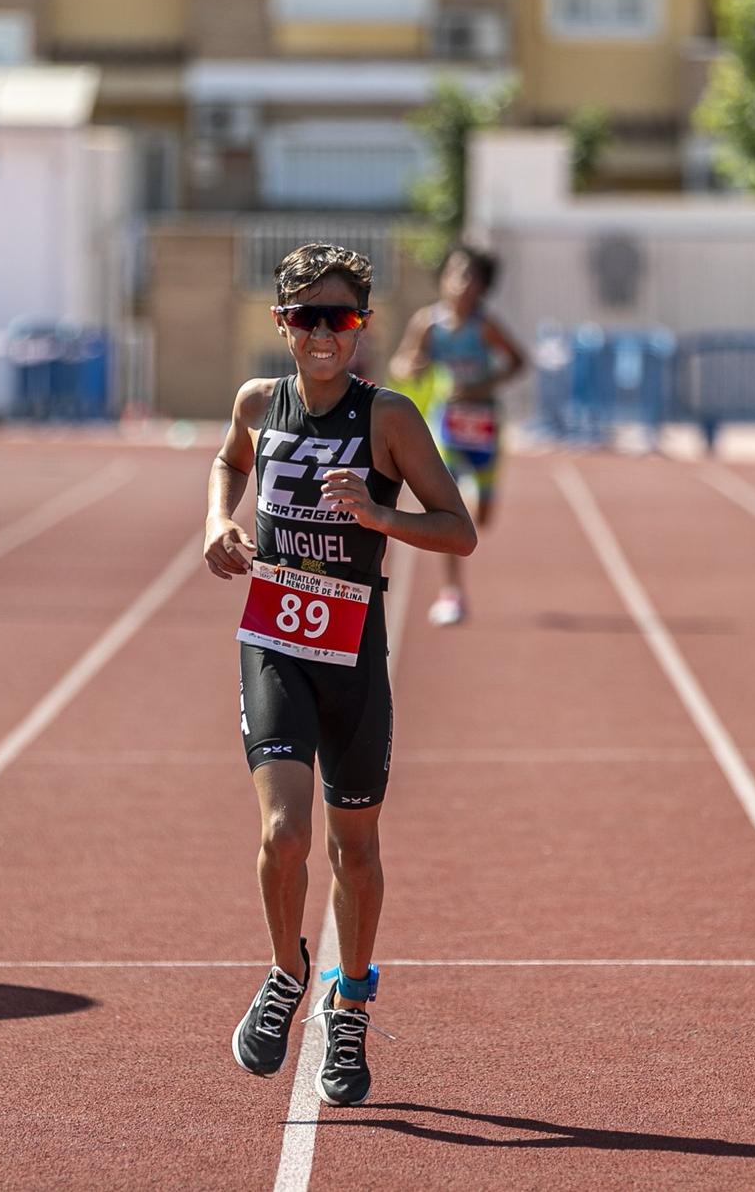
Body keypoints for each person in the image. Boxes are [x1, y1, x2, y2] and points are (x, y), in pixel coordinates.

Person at [206, 243, 476, 1108]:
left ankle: (350, 1000)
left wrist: (377, 513)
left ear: (362, 327)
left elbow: (457, 529)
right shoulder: (259, 401)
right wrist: (219, 521)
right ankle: (288, 971)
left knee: (353, 846)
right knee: (284, 834)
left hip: (354, 648)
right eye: (308, 317)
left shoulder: (388, 416)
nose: (325, 334)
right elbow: (230, 460)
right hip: (276, 639)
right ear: (283, 324)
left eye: (343, 318)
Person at [389, 243, 525, 625]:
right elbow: (401, 364)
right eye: (454, 273)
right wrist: (410, 366)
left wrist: (483, 386)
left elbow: (519, 362)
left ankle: (472, 496)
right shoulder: (428, 323)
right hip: (446, 423)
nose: (461, 283)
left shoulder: (485, 327)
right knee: (446, 511)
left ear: (482, 286)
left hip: (483, 426)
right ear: (443, 279)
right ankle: (452, 593)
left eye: (470, 276)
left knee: (481, 516)